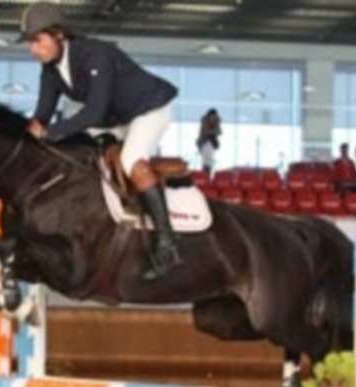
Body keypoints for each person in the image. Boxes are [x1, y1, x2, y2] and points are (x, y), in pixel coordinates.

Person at [18, 1, 179, 279]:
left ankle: (167, 243)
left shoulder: (95, 55)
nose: (33, 49)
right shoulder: (50, 69)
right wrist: (21, 135)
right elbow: (42, 115)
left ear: (59, 34)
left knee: (130, 161)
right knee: (79, 151)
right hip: (114, 119)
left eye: (37, 40)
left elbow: (93, 111)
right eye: (30, 43)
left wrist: (49, 133)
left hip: (148, 110)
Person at [196, 109, 221, 174]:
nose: (212, 118)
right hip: (204, 142)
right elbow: (204, 132)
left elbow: (219, 131)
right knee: (205, 161)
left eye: (214, 117)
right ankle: (205, 174)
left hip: (211, 143)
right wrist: (212, 132)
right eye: (212, 116)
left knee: (209, 161)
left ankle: (207, 174)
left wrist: (213, 131)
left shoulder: (216, 122)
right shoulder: (205, 122)